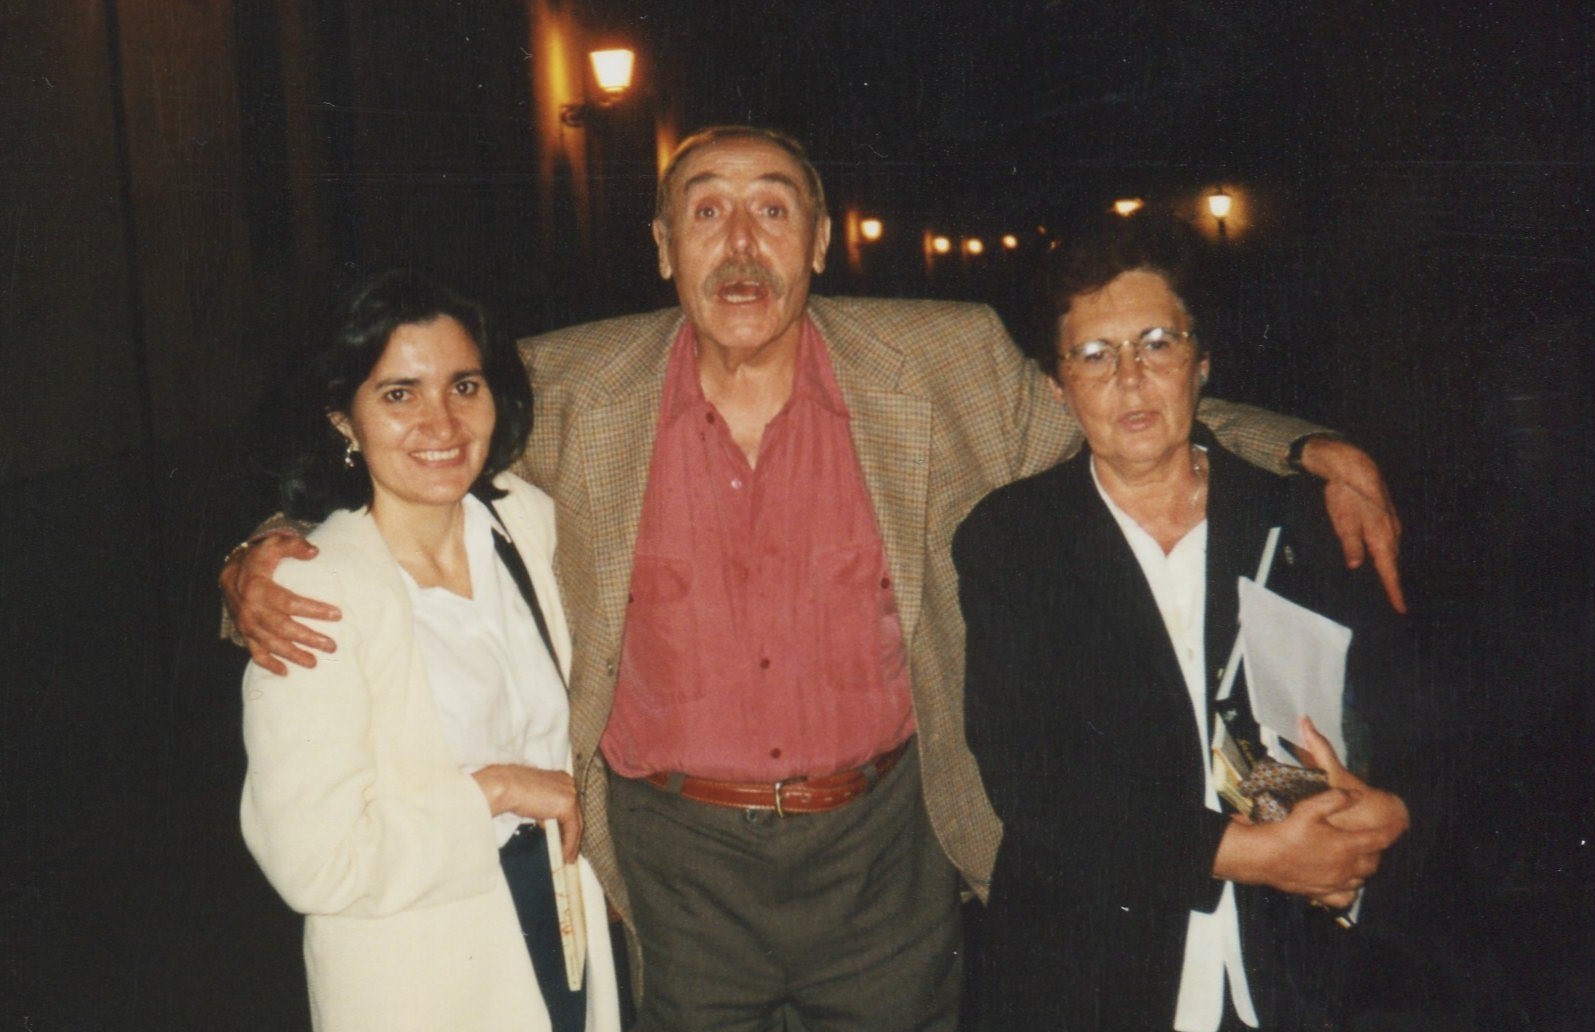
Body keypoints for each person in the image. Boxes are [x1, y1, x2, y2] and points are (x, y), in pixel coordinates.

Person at [223, 128, 1404, 1031]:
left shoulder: (937, 366)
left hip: (883, 851)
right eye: (706, 213)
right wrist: (265, 550)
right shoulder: (572, 387)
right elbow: (415, 449)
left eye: (771, 212)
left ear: (820, 242)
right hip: (673, 856)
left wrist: (1298, 448)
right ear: (660, 247)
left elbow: (1119, 404)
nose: (740, 245)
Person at [953, 229, 1411, 1031]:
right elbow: (1033, 784)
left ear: (1202, 364)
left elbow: (1393, 719)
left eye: (1156, 343)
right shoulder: (1010, 538)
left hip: (1286, 961)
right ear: (1057, 387)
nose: (1129, 378)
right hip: (1090, 972)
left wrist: (1381, 818)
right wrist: (1247, 855)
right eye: (1093, 354)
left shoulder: (1297, 520)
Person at [237, 270, 621, 1032]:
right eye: (398, 394)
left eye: (464, 386)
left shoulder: (526, 526)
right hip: (417, 969)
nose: (441, 423)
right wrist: (501, 790)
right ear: (343, 418)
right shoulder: (311, 589)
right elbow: (317, 861)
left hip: (557, 923)